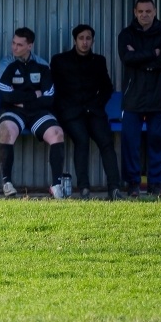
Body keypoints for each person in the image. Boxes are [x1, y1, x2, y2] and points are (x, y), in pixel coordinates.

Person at [51, 24, 124, 201]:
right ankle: (84, 188)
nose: (85, 42)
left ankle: (114, 188)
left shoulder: (98, 61)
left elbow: (107, 87)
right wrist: (63, 109)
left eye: (88, 38)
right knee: (81, 140)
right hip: (71, 112)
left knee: (106, 142)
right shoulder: (60, 60)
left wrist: (97, 104)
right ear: (75, 40)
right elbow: (54, 89)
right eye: (81, 38)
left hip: (94, 111)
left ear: (92, 40)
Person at [0, 27, 66, 198]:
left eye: (19, 45)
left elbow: (49, 96)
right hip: (13, 110)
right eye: (13, 43)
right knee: (7, 130)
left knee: (57, 133)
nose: (14, 48)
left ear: (30, 46)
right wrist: (34, 94)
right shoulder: (5, 64)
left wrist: (23, 100)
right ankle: (7, 184)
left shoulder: (42, 65)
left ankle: (56, 186)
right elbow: (6, 94)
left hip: (37, 112)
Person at [117, 0, 161, 198]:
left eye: (148, 11)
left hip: (158, 97)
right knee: (130, 142)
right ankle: (133, 184)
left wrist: (140, 57)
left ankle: (155, 185)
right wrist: (152, 53)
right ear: (135, 12)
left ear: (155, 11)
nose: (144, 15)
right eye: (140, 11)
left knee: (157, 142)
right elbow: (126, 58)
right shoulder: (126, 35)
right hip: (133, 97)